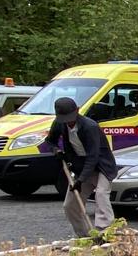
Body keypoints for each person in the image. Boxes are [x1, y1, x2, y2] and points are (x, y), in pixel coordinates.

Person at [43, 97, 118, 238]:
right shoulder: (59, 123)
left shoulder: (90, 127)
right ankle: (85, 236)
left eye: (70, 118)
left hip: (102, 166)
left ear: (77, 110)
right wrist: (56, 150)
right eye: (64, 119)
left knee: (101, 195)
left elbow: (93, 157)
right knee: (70, 205)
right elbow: (50, 141)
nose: (68, 122)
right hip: (80, 167)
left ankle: (105, 233)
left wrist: (80, 180)